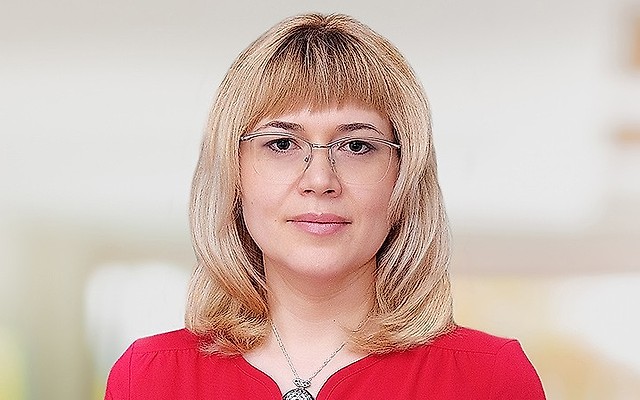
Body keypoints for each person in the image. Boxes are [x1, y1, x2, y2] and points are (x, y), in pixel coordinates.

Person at [104, 13, 545, 400]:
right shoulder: (147, 378)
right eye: (282, 144)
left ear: (404, 176)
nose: (319, 180)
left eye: (356, 146)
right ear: (233, 174)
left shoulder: (489, 378)